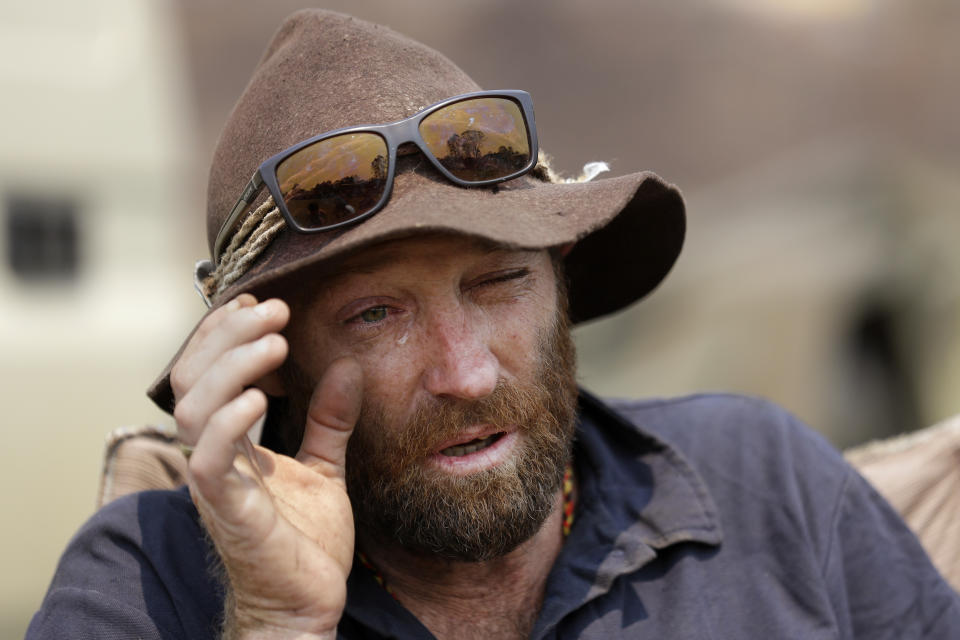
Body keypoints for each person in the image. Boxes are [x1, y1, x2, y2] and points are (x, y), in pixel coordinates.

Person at [29, 9, 960, 640]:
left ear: (561, 279)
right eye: (376, 314)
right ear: (269, 363)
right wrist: (275, 620)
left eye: (500, 282)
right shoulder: (145, 580)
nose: (467, 372)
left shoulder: (768, 481)